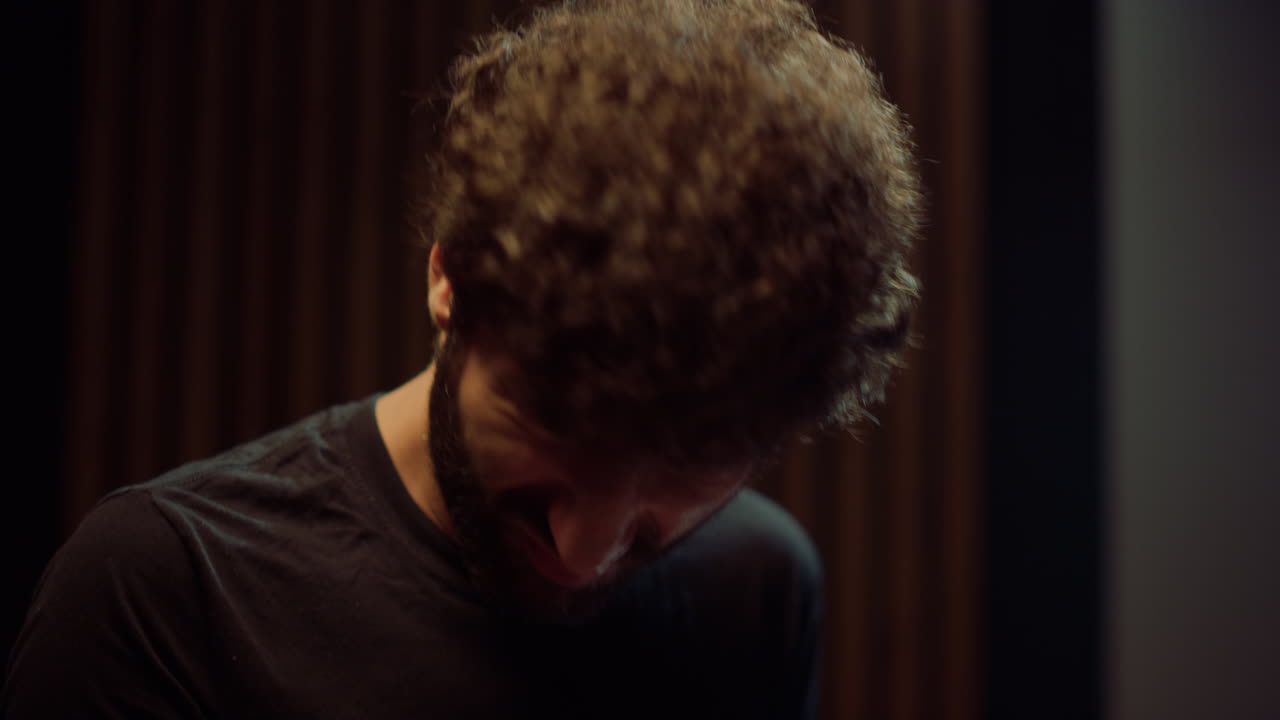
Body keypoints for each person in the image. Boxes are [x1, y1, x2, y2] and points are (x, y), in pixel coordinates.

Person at [3, 0, 922, 717]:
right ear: (450, 279)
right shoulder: (165, 593)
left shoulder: (758, 592)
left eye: (678, 481)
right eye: (554, 427)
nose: (584, 553)